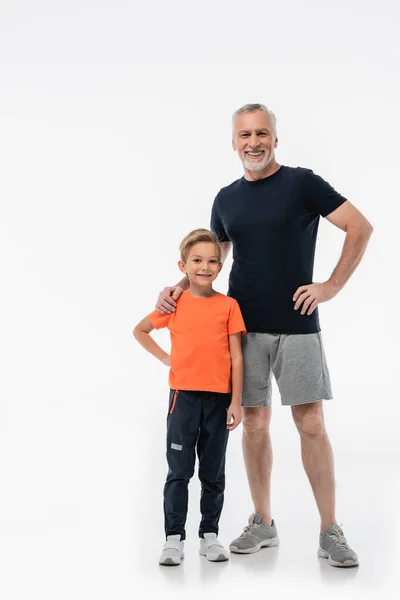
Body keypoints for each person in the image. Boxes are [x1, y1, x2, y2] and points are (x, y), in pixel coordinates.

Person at [155, 104, 373, 568]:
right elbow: (214, 257)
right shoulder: (226, 198)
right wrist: (176, 290)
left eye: (262, 133)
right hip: (243, 328)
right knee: (254, 425)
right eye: (244, 135)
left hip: (298, 326)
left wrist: (331, 286)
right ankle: (263, 522)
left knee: (310, 424)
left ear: (275, 138)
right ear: (233, 142)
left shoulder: (302, 183)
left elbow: (360, 226)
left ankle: (329, 530)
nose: (253, 142)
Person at [133, 228, 246, 566]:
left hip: (219, 401)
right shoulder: (174, 303)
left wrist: (236, 402)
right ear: (183, 266)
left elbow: (237, 357)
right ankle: (173, 539)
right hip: (182, 399)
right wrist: (167, 359)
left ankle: (209, 536)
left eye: (213, 261)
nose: (205, 266)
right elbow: (140, 330)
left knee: (213, 473)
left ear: (220, 267)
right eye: (197, 260)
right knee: (179, 471)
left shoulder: (228, 306)